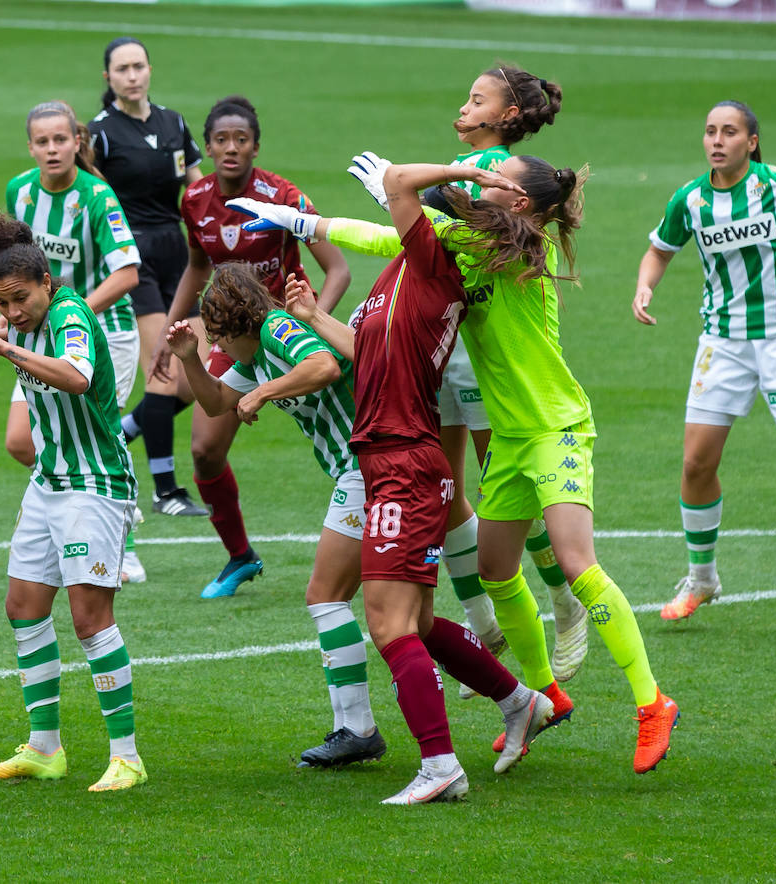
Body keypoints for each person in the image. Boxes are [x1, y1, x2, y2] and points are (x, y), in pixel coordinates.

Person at [238, 153, 681, 776]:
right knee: (498, 570)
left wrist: (400, 190)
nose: (485, 177)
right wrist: (299, 224)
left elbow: (404, 216)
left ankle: (651, 703)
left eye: (498, 176)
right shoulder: (471, 245)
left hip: (557, 426)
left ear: (518, 202)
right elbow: (391, 235)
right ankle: (542, 694)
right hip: (510, 436)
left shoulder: (529, 253)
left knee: (577, 563)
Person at [242, 162, 554, 805]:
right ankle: (520, 701)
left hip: (404, 464)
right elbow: (368, 350)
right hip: (398, 461)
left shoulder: (434, 262)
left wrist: (462, 169)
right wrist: (310, 315)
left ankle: (441, 766)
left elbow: (401, 183)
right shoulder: (406, 274)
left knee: (388, 625)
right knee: (415, 617)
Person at [633, 100, 776, 641]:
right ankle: (702, 579)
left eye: (730, 131)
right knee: (695, 462)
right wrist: (646, 283)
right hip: (723, 343)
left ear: (751, 142)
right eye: (710, 131)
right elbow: (659, 249)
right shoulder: (690, 199)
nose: (717, 140)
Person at [0, 213, 146, 792]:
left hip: (94, 484)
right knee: (24, 607)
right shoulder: (20, 322)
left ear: (46, 283)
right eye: (1, 304)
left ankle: (127, 756)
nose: (10, 313)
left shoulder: (69, 313)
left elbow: (77, 376)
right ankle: (45, 748)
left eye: (19, 300)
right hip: (49, 484)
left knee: (90, 620)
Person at [166, 262, 383, 767]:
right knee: (395, 610)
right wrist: (191, 360)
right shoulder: (255, 351)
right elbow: (219, 402)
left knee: (328, 597)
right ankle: (515, 695)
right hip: (362, 467)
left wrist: (264, 392)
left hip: (366, 465)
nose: (219, 349)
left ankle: (357, 727)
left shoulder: (276, 329)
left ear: (238, 324)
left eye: (219, 339)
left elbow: (324, 367)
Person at [150, 95, 350, 598]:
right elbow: (198, 267)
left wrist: (313, 319)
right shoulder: (194, 200)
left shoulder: (283, 196)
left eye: (242, 139)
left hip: (283, 326)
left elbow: (338, 269)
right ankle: (240, 556)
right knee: (203, 448)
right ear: (209, 146)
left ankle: (367, 512)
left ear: (256, 146)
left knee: (338, 414)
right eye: (222, 140)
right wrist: (171, 334)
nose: (232, 148)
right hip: (237, 332)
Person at [437, 64, 588, 695]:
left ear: (507, 119)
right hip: (442, 345)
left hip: (484, 358)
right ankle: (485, 627)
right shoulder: (459, 165)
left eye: (478, 99)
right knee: (445, 491)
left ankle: (564, 599)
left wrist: (394, 195)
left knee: (507, 495)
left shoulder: (498, 179)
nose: (465, 106)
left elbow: (428, 232)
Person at [3, 99, 146, 582]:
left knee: (98, 434)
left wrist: (72, 315)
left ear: (77, 142)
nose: (51, 149)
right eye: (41, 142)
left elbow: (126, 272)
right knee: (22, 441)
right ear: (30, 147)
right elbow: (10, 269)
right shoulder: (19, 192)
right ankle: (73, 518)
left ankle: (120, 530)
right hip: (37, 334)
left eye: (60, 139)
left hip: (106, 333)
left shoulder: (98, 197)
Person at [88, 36, 209, 518]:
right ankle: (165, 490)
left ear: (149, 70)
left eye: (139, 66)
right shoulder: (98, 133)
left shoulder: (173, 122)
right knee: (162, 372)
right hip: (130, 256)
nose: (132, 75)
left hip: (178, 252)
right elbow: (90, 194)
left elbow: (197, 190)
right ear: (109, 78)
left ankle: (125, 430)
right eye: (122, 69)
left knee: (198, 371)